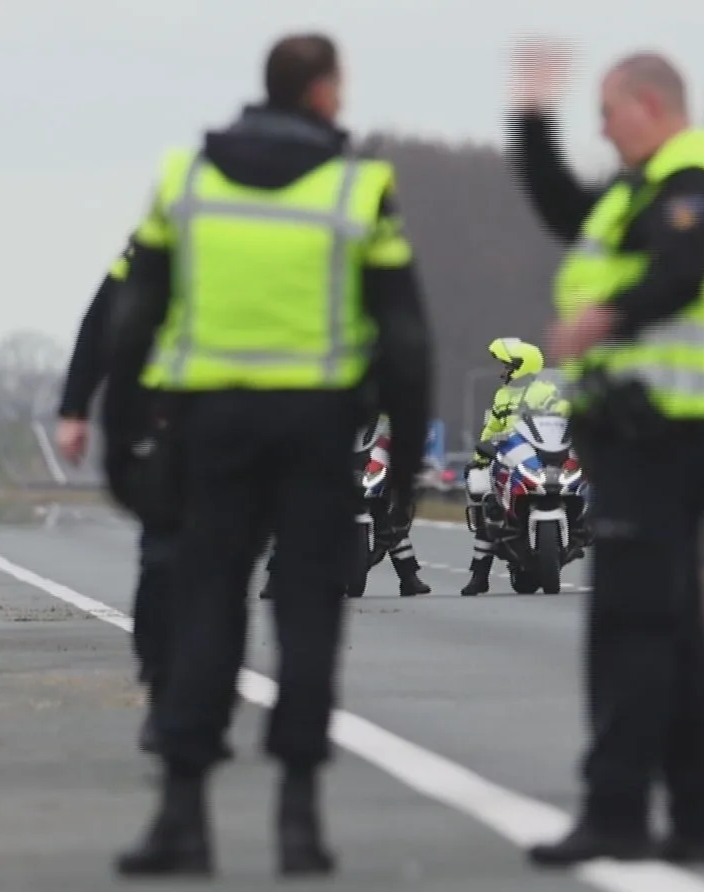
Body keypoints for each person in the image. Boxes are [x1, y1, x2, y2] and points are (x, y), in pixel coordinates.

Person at [102, 32, 432, 878]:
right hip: (319, 433)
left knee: (208, 606)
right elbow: (404, 336)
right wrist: (401, 468)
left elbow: (134, 313)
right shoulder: (361, 188)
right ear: (323, 94)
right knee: (310, 617)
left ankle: (183, 815)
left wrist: (120, 435)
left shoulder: (187, 178)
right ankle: (298, 818)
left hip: (211, 431)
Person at [509, 42, 704, 867]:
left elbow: (682, 272)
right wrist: (531, 122)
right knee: (673, 631)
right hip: (640, 433)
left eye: (607, 115)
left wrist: (602, 321)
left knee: (630, 628)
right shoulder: (640, 189)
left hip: (663, 434)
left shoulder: (693, 181)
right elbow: (566, 210)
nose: (605, 133)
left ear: (648, 106)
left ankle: (615, 811)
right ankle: (699, 813)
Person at [55, 243, 239, 759]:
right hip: (158, 419)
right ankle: (164, 693)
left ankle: (210, 700)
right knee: (163, 557)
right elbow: (101, 317)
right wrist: (74, 407)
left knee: (226, 566)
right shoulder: (166, 223)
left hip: (241, 418)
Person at [260, 412, 432, 599]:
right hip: (327, 458)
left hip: (367, 459)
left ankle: (408, 576)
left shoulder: (379, 407)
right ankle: (274, 579)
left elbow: (401, 426)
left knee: (389, 516)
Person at [460, 336, 567, 595]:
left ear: (522, 365)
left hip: (541, 453)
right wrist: (481, 454)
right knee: (487, 500)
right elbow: (492, 428)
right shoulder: (502, 395)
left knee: (573, 481)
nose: (503, 371)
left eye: (507, 365)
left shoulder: (546, 391)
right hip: (507, 454)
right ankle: (479, 575)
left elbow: (562, 415)